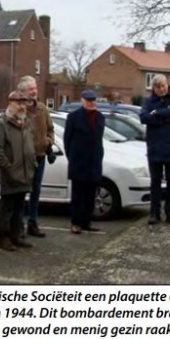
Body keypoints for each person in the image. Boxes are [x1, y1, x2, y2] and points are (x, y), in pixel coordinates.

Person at [0, 91, 37, 251]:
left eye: (24, 103)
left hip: (25, 173)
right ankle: (4, 239)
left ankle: (17, 236)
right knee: (7, 209)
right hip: (10, 173)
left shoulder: (26, 123)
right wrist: (8, 168)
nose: (22, 106)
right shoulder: (1, 124)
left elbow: (30, 146)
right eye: (18, 103)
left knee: (19, 208)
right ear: (10, 103)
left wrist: (32, 165)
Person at [139, 74, 170, 225]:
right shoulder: (148, 101)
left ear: (167, 85)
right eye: (158, 87)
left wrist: (157, 113)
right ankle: (154, 213)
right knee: (155, 183)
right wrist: (166, 115)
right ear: (154, 88)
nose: (161, 89)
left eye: (163, 86)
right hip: (155, 148)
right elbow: (144, 117)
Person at [63, 90, 105, 234]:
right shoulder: (73, 117)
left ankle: (87, 221)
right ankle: (76, 222)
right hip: (79, 163)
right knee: (78, 195)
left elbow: (99, 139)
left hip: (94, 162)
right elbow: (67, 141)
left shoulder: (100, 117)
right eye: (88, 100)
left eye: (93, 100)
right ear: (82, 101)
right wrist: (73, 158)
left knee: (90, 195)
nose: (91, 102)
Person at [20, 75, 54, 238]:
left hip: (40, 156)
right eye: (31, 89)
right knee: (21, 191)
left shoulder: (42, 108)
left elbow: (50, 128)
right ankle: (18, 224)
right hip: (23, 158)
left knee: (36, 191)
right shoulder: (19, 109)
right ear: (23, 91)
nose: (34, 91)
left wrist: (48, 141)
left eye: (35, 88)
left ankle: (32, 223)